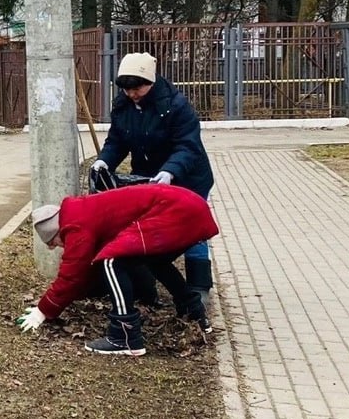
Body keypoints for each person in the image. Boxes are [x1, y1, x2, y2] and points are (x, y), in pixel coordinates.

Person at [16, 184, 220, 356]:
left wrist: (42, 311)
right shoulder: (82, 210)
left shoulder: (75, 225)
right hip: (190, 206)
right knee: (154, 261)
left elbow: (72, 274)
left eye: (56, 243)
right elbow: (86, 269)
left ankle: (125, 336)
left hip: (177, 210)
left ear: (57, 233)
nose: (60, 248)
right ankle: (196, 315)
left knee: (112, 261)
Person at [90, 51, 216, 308]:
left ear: (150, 82)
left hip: (189, 176)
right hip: (149, 178)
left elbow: (187, 146)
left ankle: (199, 286)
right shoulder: (123, 105)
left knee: (192, 230)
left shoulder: (175, 105)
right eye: (126, 89)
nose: (132, 93)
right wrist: (104, 160)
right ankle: (150, 285)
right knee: (151, 229)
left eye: (137, 88)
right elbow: (117, 140)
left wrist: (170, 171)